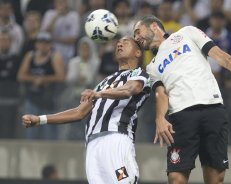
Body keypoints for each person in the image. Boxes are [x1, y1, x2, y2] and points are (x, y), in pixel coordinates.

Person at [133, 15, 231, 184]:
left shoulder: (187, 32)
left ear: (154, 26)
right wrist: (160, 118)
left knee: (216, 177)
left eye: (137, 31)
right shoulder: (152, 66)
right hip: (180, 116)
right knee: (176, 178)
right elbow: (161, 94)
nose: (136, 38)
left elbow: (220, 56)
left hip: (212, 107)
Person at [21, 37, 151, 184]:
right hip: (92, 145)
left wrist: (98, 94)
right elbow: (79, 112)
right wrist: (40, 119)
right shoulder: (104, 82)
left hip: (115, 139)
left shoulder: (139, 74)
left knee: (124, 182)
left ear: (138, 53)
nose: (119, 44)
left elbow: (130, 89)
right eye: (118, 43)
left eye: (126, 42)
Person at [18, 32, 65, 140]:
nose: (43, 46)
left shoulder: (54, 57)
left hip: (49, 100)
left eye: (46, 43)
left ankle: (50, 155)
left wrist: (43, 79)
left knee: (48, 132)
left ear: (50, 45)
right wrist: (34, 79)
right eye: (41, 42)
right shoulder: (30, 56)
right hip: (32, 98)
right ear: (37, 44)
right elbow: (20, 76)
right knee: (31, 131)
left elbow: (61, 77)